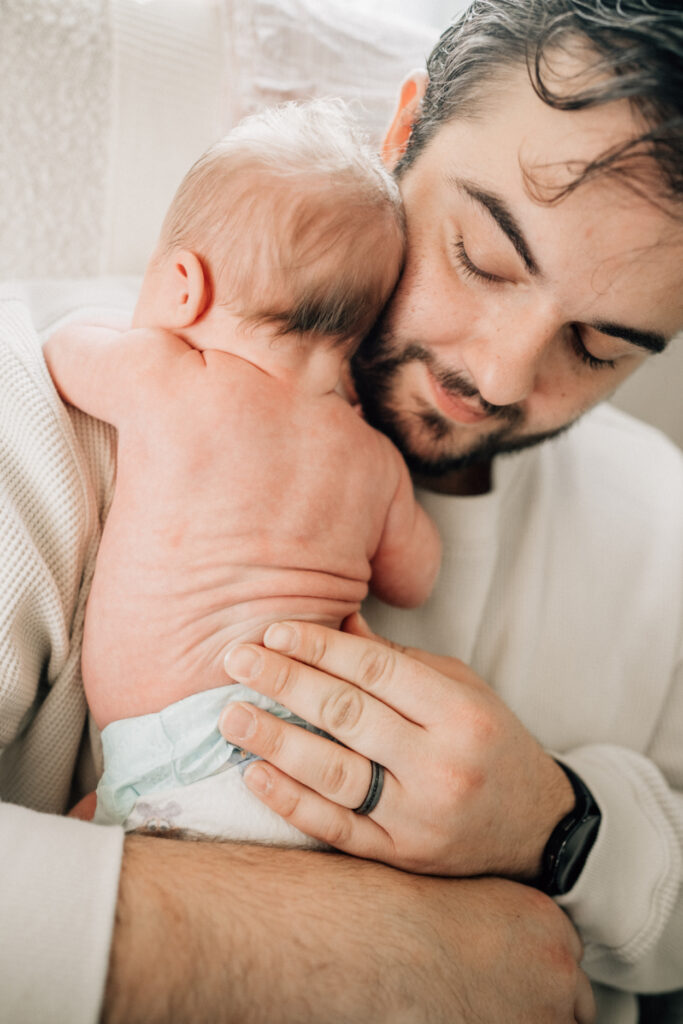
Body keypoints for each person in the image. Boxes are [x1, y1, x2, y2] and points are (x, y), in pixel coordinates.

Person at [1, 2, 681, 1023]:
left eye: (598, 347)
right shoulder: (52, 408)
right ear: (401, 127)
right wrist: (298, 946)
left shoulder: (660, 527)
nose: (496, 376)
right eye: (482, 257)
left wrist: (564, 828)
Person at [42, 99, 439, 842]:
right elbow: (414, 579)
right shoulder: (372, 459)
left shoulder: (171, 379)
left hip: (175, 750)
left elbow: (63, 349)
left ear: (183, 285)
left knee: (77, 870)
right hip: (321, 752)